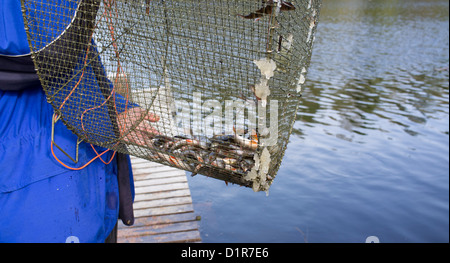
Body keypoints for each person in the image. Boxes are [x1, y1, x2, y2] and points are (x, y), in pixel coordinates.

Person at [0, 0, 158, 242]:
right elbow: (35, 52)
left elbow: (79, 77)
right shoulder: (38, 22)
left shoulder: (67, 22)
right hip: (38, 203)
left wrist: (117, 109)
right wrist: (107, 123)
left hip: (92, 190)